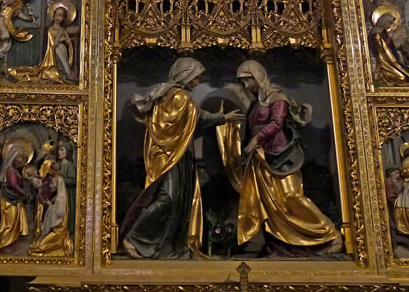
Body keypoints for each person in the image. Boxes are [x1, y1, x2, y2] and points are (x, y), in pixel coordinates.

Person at [119, 57, 243, 259]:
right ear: (185, 75)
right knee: (168, 198)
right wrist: (223, 118)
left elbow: (191, 120)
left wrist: (217, 118)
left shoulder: (174, 95)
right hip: (170, 155)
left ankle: (167, 246)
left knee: (179, 202)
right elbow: (195, 119)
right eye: (196, 77)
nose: (197, 81)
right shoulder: (177, 96)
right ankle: (135, 237)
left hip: (180, 154)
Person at [218, 60, 341, 256]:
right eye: (242, 83)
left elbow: (277, 123)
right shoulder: (256, 104)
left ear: (257, 76)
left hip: (279, 154)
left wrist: (255, 140)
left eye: (247, 81)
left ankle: (328, 234)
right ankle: (279, 245)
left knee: (291, 197)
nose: (246, 86)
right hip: (260, 157)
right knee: (267, 203)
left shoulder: (278, 97)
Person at [6, 1, 78, 84]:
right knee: (56, 52)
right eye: (57, 15)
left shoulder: (61, 30)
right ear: (53, 15)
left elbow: (66, 42)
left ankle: (67, 72)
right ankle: (67, 72)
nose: (58, 18)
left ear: (64, 18)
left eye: (61, 16)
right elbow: (53, 44)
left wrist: (62, 40)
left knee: (59, 50)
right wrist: (60, 40)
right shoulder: (51, 29)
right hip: (52, 54)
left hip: (60, 49)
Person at [369, 11, 409, 86]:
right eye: (389, 23)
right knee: (402, 78)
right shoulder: (376, 35)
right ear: (383, 22)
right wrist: (389, 38)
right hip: (384, 61)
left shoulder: (383, 33)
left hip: (390, 59)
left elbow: (389, 47)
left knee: (405, 74)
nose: (390, 26)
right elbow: (382, 49)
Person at [29, 160, 74, 256]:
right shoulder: (56, 197)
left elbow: (59, 213)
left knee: (39, 248)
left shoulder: (61, 198)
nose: (50, 184)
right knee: (38, 245)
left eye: (53, 182)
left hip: (58, 232)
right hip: (54, 230)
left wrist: (49, 205)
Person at [57, 143, 78, 240]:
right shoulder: (58, 165)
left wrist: (60, 180)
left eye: (61, 149)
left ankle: (68, 233)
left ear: (67, 152)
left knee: (67, 212)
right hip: (59, 194)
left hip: (68, 194)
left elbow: (73, 180)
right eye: (59, 150)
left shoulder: (69, 166)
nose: (59, 152)